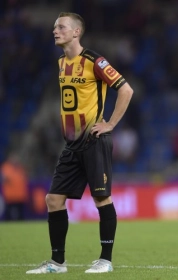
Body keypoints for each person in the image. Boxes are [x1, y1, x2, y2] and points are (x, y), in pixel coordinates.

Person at [26, 12, 133, 274]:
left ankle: (105, 260)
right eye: (54, 27)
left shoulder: (95, 61)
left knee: (101, 198)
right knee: (53, 199)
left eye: (61, 27)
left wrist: (109, 124)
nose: (55, 31)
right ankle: (57, 263)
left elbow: (126, 89)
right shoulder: (62, 62)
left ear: (76, 32)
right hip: (72, 144)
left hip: (95, 140)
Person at [1, 153, 28, 221]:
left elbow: (23, 180)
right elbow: (4, 179)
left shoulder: (20, 168)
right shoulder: (6, 167)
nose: (15, 160)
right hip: (10, 196)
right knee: (9, 215)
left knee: (21, 215)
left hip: (20, 196)